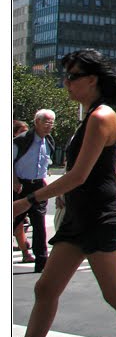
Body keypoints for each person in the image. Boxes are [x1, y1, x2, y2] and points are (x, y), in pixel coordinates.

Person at [12, 49, 116, 337]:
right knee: (46, 289)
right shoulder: (90, 116)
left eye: (72, 77)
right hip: (80, 216)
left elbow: (78, 176)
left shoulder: (101, 116)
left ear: (91, 80)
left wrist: (29, 200)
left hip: (99, 216)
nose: (67, 83)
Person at [13, 109, 57, 273]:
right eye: (46, 122)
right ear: (36, 122)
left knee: (39, 225)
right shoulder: (21, 141)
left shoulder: (49, 141)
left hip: (38, 186)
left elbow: (44, 165)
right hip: (20, 186)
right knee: (14, 221)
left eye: (51, 122)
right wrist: (14, 180)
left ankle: (41, 261)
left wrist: (44, 181)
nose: (49, 126)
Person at [13, 120, 35, 263]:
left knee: (18, 223)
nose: (25, 135)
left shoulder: (26, 146)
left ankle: (26, 253)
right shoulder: (14, 146)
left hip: (20, 188)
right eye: (22, 132)